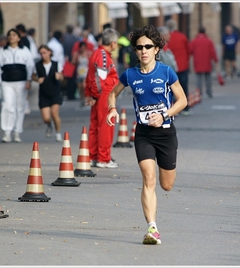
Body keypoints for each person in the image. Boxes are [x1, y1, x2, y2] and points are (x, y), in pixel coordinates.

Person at [106, 24, 187, 245]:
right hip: (143, 133)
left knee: (166, 184)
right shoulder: (130, 75)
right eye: (139, 47)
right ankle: (152, 228)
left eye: (148, 46)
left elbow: (183, 101)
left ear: (156, 49)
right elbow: (112, 94)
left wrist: (164, 115)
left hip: (166, 133)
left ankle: (154, 223)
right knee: (148, 178)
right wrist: (112, 109)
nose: (143, 51)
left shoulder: (166, 72)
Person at [84, 28, 120, 168]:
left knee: (95, 126)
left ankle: (94, 156)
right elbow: (99, 79)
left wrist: (90, 94)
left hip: (99, 94)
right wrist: (94, 94)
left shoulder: (97, 53)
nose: (116, 46)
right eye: (116, 43)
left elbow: (90, 76)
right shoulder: (103, 56)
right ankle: (103, 158)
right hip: (104, 94)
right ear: (112, 43)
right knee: (106, 125)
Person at [0, 28, 34, 143]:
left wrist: (29, 80)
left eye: (14, 35)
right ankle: (7, 131)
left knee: (19, 106)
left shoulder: (24, 51)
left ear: (18, 38)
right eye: (10, 35)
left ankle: (17, 131)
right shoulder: (3, 51)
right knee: (8, 105)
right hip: (7, 83)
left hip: (21, 82)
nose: (11, 37)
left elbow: (30, 66)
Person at [33, 45, 64, 142]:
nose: (43, 55)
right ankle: (49, 124)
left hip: (55, 92)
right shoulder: (38, 65)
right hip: (44, 93)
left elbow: (62, 77)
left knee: (54, 113)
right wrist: (37, 80)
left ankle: (58, 133)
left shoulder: (56, 64)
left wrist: (59, 77)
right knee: (46, 117)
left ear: (49, 52)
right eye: (41, 53)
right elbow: (33, 76)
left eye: (44, 53)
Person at [166, 19, 191, 116]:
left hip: (170, 67)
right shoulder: (182, 37)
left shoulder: (167, 38)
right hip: (182, 66)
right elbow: (188, 51)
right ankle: (185, 108)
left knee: (170, 89)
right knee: (183, 88)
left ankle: (172, 109)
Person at [190, 27, 218, 98]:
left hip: (198, 61)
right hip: (207, 61)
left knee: (198, 79)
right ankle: (209, 92)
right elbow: (212, 51)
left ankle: (199, 92)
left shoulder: (194, 41)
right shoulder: (209, 41)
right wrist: (215, 59)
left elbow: (190, 51)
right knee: (208, 78)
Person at [72, 41, 92, 106]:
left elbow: (92, 61)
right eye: (81, 48)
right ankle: (82, 98)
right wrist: (76, 61)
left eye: (84, 48)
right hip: (79, 73)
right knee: (80, 88)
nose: (83, 49)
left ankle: (87, 98)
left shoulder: (88, 53)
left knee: (84, 86)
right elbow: (73, 61)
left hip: (86, 73)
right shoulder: (77, 54)